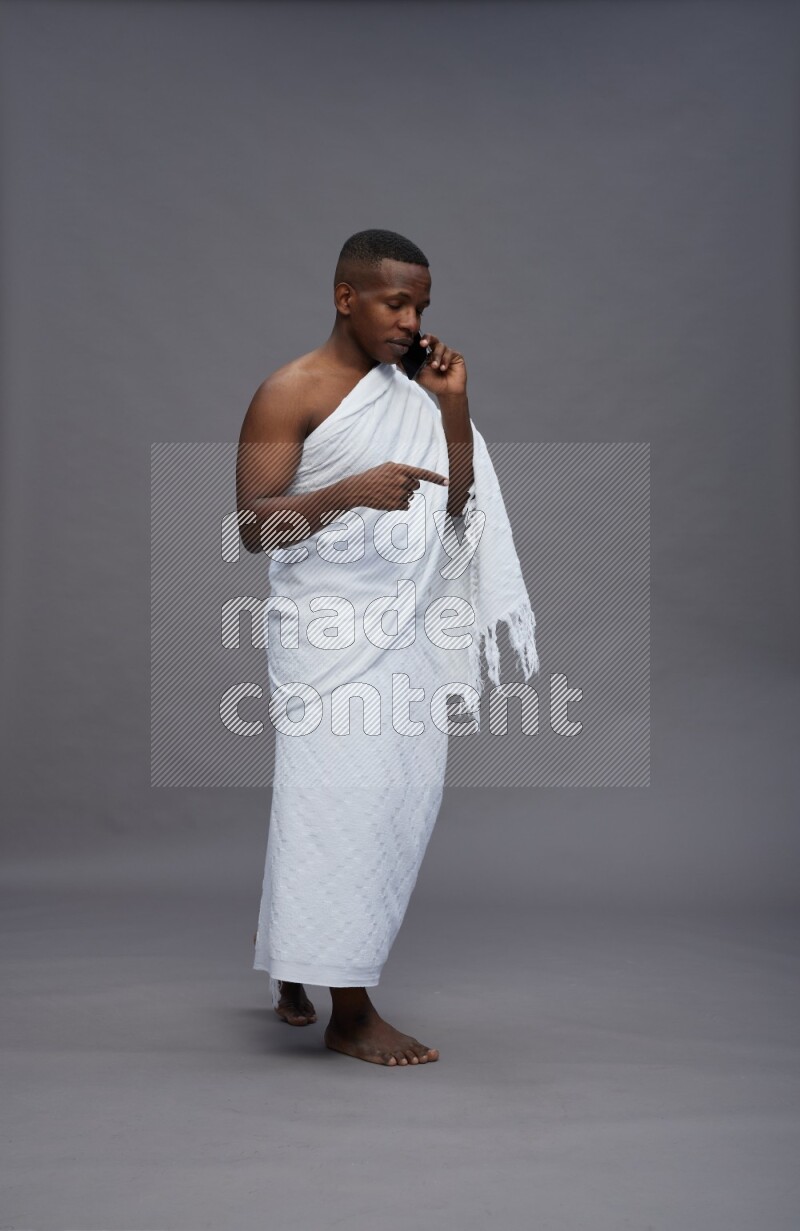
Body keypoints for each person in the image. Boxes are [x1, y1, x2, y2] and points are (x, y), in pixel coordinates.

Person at [237, 229, 537, 1067]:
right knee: (341, 809)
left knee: (369, 807)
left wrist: (453, 404)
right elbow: (252, 527)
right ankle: (352, 1011)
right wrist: (348, 493)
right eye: (396, 302)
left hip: (403, 631)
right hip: (326, 636)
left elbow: (457, 506)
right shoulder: (287, 392)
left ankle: (296, 970)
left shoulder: (414, 392)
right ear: (346, 297)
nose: (411, 321)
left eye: (421, 307)